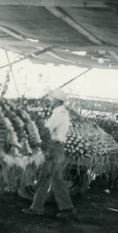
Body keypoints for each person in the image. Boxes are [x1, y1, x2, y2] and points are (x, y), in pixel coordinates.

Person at [22, 89, 76, 218]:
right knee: (48, 178)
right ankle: (39, 207)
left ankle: (65, 209)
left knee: (50, 178)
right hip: (56, 148)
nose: (50, 100)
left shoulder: (59, 114)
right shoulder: (61, 112)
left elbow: (46, 129)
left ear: (57, 100)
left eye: (52, 99)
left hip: (54, 148)